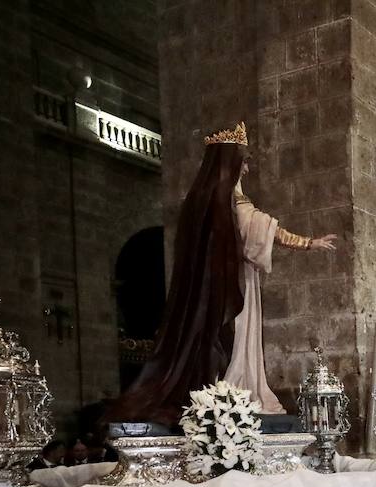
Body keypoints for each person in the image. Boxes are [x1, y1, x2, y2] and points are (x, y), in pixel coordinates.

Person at [107, 121, 336, 425]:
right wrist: (309, 243)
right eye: (244, 162)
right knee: (238, 335)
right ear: (233, 163)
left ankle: (230, 387)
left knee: (231, 335)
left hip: (218, 284)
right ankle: (235, 388)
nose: (247, 170)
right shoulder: (232, 200)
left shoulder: (206, 200)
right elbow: (262, 230)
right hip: (234, 285)